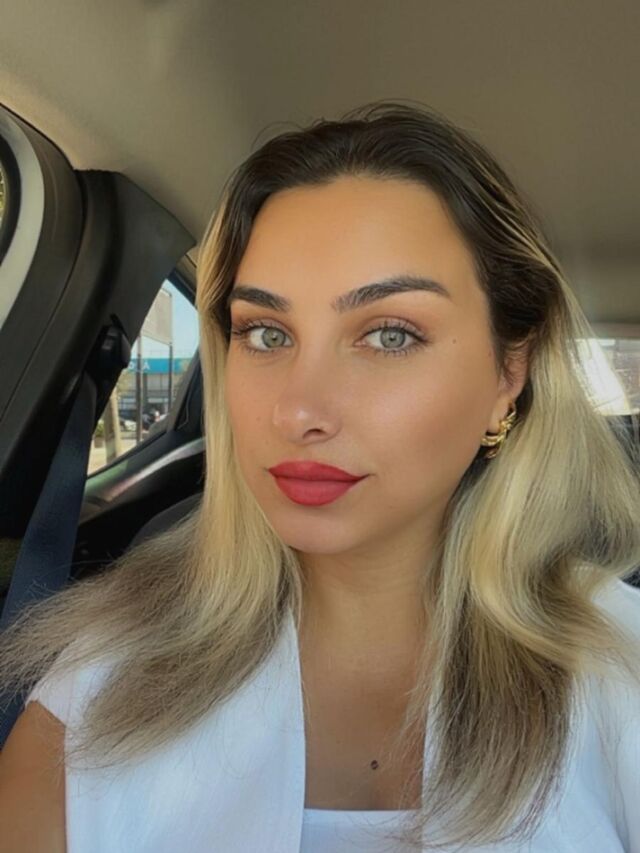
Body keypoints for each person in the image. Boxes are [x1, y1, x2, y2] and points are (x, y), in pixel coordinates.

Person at [1, 100, 640, 852]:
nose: (299, 410)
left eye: (390, 335)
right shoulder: (96, 688)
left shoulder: (621, 679)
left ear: (509, 373)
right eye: (266, 333)